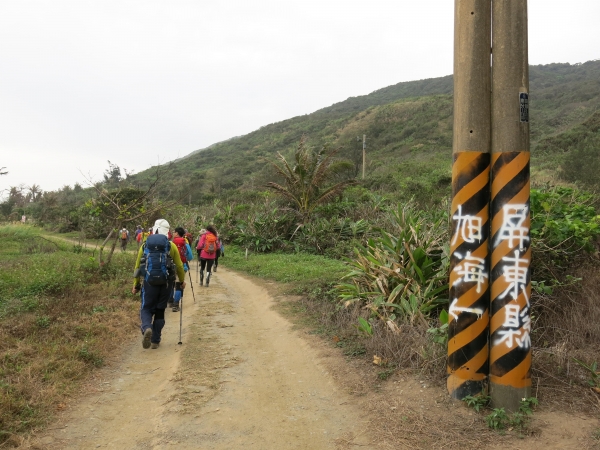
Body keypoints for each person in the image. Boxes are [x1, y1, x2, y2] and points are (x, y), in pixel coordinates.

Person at [132, 219, 186, 349]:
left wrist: (136, 284)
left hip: (149, 283)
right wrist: (181, 281)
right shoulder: (171, 246)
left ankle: (146, 328)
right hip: (166, 284)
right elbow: (179, 265)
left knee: (146, 308)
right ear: (167, 231)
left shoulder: (145, 245)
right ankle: (156, 340)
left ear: (154, 229)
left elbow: (138, 266)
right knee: (160, 310)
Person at [171, 227, 193, 312]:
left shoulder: (170, 243)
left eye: (174, 232)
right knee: (179, 285)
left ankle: (170, 301)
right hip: (182, 267)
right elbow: (190, 256)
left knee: (171, 284)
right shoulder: (185, 243)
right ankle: (176, 305)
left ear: (177, 233)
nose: (173, 233)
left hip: (171, 267)